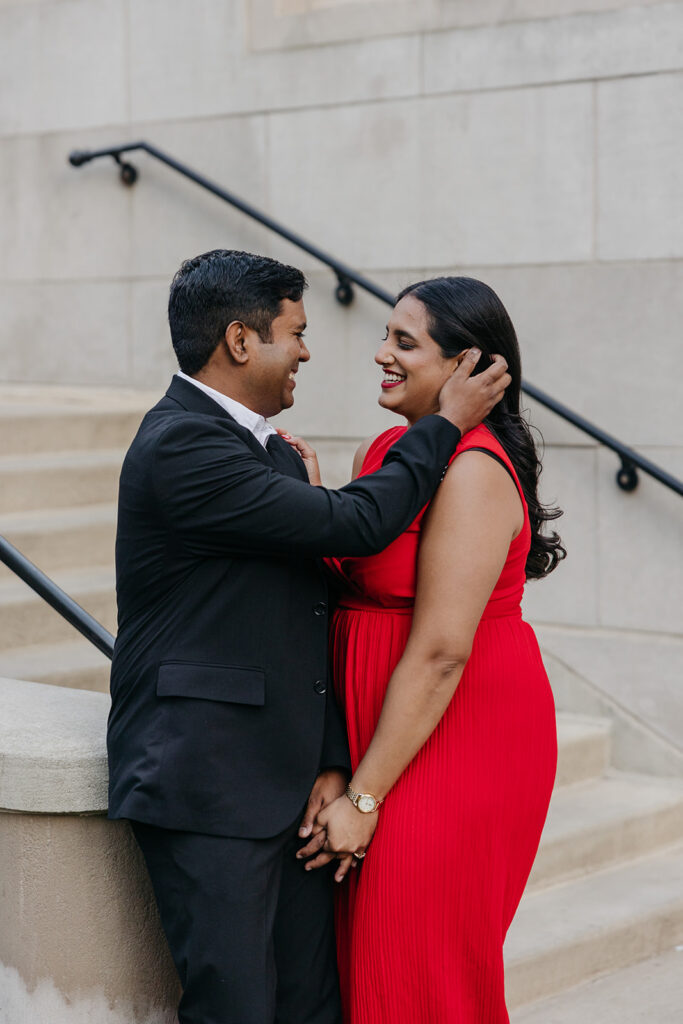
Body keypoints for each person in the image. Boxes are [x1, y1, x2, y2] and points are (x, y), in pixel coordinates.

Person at [106, 251, 511, 1024]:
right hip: (206, 781)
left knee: (309, 1006)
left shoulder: (267, 449)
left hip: (286, 784)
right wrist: (447, 423)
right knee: (237, 1007)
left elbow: (305, 614)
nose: (307, 350)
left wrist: (329, 761)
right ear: (238, 340)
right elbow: (358, 525)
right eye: (295, 331)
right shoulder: (181, 444)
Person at [287, 276, 565, 1023]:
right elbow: (352, 589)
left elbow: (441, 649)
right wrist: (319, 511)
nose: (380, 354)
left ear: (466, 369)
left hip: (454, 738)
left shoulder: (471, 470)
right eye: (385, 336)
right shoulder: (389, 448)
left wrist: (363, 797)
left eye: (403, 343)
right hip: (377, 734)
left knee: (419, 964)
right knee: (371, 965)